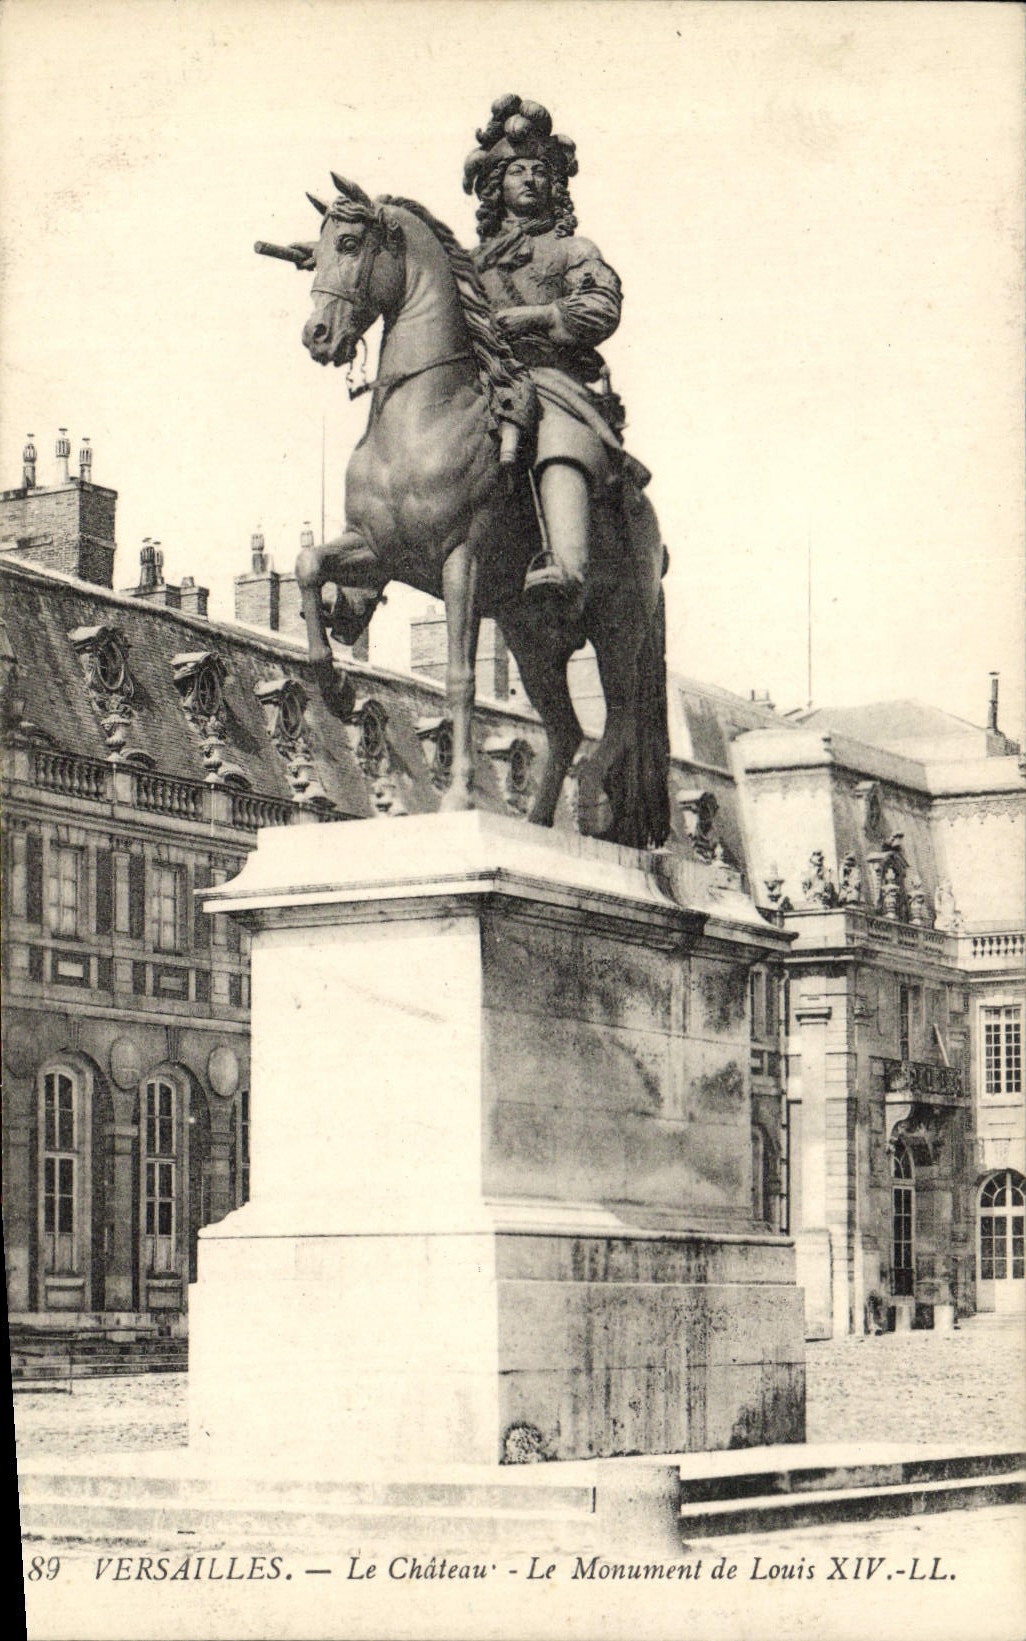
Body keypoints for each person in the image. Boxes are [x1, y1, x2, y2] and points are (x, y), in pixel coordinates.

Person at [463, 95, 631, 618]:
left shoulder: (574, 250)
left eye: (539, 171)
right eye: (518, 171)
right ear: (497, 185)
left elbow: (601, 308)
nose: (530, 179)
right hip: (485, 384)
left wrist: (535, 318)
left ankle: (566, 565)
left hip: (553, 380)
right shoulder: (467, 263)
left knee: (555, 432)